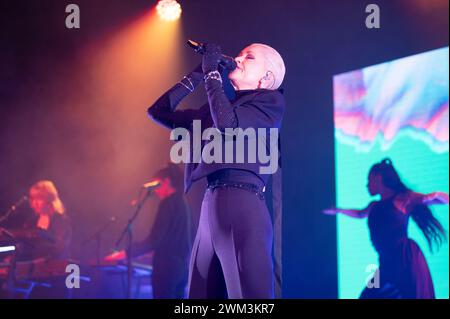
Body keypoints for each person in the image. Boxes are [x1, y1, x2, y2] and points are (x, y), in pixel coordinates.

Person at [148, 42, 286, 298]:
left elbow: (228, 125)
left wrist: (212, 74)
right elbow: (158, 111)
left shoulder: (270, 102)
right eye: (240, 52)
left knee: (248, 299)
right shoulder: (216, 109)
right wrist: (197, 75)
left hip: (243, 204)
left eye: (249, 56)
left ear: (266, 78)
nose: (238, 58)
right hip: (210, 206)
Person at [324, 158, 448, 299]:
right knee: (368, 295)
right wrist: (339, 211)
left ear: (379, 178)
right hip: (386, 263)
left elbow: (435, 200)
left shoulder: (403, 199)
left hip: (405, 259)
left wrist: (436, 194)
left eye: (369, 180)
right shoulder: (374, 206)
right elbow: (359, 214)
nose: (367, 185)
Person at [106, 164, 192, 298]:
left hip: (166, 269)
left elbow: (154, 239)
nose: (155, 190)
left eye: (157, 183)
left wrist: (125, 253)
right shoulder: (182, 203)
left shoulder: (167, 203)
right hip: (181, 268)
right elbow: (172, 239)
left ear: (167, 182)